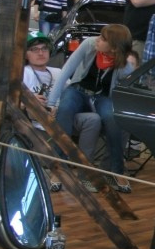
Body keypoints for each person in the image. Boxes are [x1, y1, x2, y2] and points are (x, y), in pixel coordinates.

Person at [46, 24, 137, 193]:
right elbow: (66, 71)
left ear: (114, 48)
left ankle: (116, 170)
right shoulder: (89, 44)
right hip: (78, 90)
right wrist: (52, 102)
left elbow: (128, 91)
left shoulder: (125, 66)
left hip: (102, 97)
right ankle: (58, 168)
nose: (97, 40)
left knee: (114, 119)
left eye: (103, 39)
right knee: (65, 108)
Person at [22, 31, 102, 191]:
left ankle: (85, 173)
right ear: (25, 54)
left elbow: (74, 96)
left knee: (93, 119)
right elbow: (11, 103)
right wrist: (28, 100)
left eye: (44, 48)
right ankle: (59, 170)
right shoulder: (23, 73)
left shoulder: (58, 72)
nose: (40, 53)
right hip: (39, 125)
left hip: (63, 118)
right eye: (34, 49)